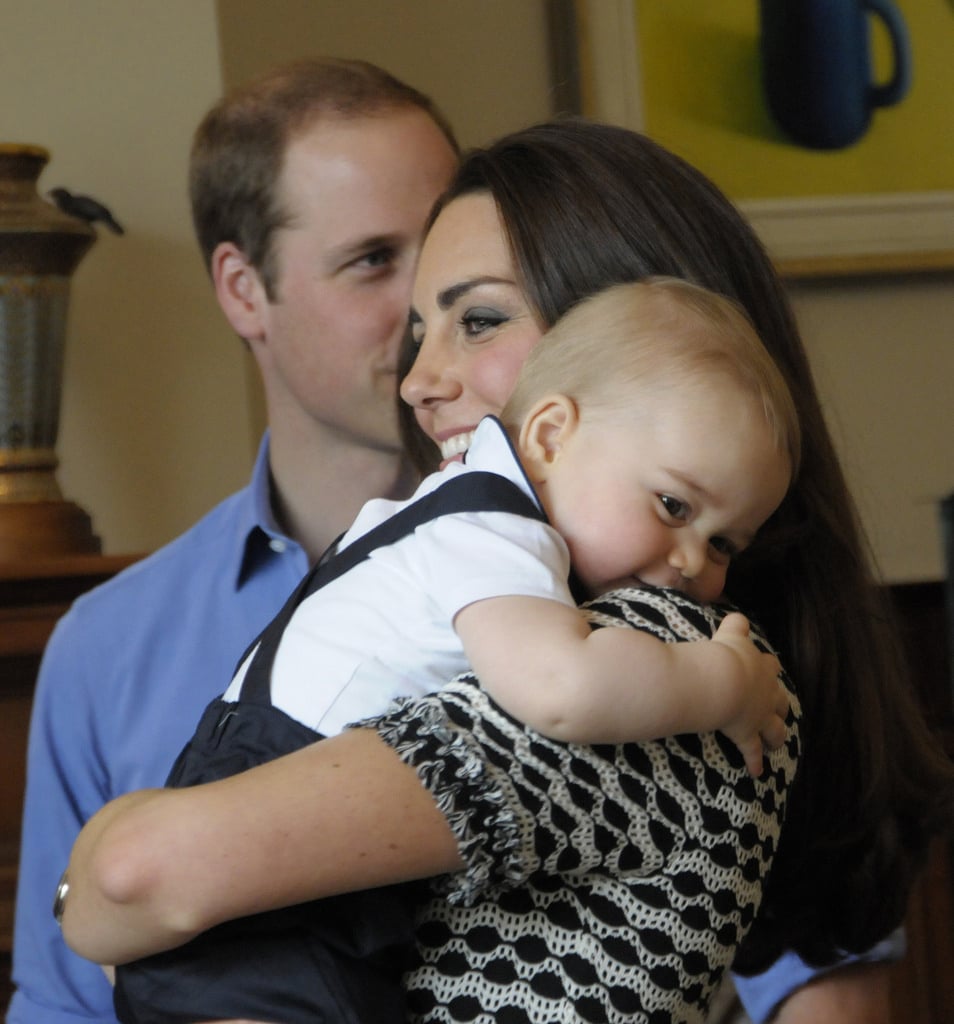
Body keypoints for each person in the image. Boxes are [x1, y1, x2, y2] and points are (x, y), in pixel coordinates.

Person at [59, 122, 954, 1024]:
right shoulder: (534, 593)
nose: (417, 380)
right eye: (421, 326)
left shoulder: (660, 665)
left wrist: (94, 881)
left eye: (478, 318)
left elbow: (138, 874)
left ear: (640, 335)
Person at [111, 278, 798, 1022]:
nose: (693, 562)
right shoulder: (493, 530)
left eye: (724, 541)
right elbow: (563, 688)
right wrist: (719, 683)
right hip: (278, 824)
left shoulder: (456, 514)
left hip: (260, 824)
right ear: (550, 436)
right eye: (673, 505)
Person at [7, 57, 459, 1024]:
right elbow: (60, 1008)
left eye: (449, 245)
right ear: (244, 291)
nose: (432, 308)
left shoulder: (600, 567)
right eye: (374, 260)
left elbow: (804, 960)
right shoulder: (106, 648)